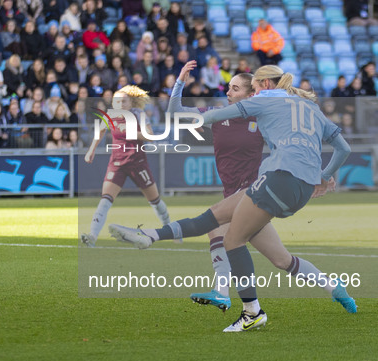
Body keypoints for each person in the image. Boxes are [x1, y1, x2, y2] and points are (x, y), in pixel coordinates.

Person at [110, 65, 356, 331]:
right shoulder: (245, 113)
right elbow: (175, 114)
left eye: (235, 88)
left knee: (223, 232)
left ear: (256, 89)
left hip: (262, 187)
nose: (228, 92)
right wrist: (321, 175)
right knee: (281, 260)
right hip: (276, 191)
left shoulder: (262, 110)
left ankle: (242, 304)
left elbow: (290, 133)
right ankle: (333, 286)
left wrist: (315, 172)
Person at [80, 85, 171, 248]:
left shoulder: (139, 115)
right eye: (118, 101)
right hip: (117, 163)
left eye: (124, 101)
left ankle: (170, 229)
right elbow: (100, 132)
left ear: (131, 103)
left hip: (138, 163)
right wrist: (91, 150)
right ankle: (92, 235)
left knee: (155, 201)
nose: (121, 104)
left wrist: (133, 133)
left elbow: (150, 136)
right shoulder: (110, 116)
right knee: (105, 199)